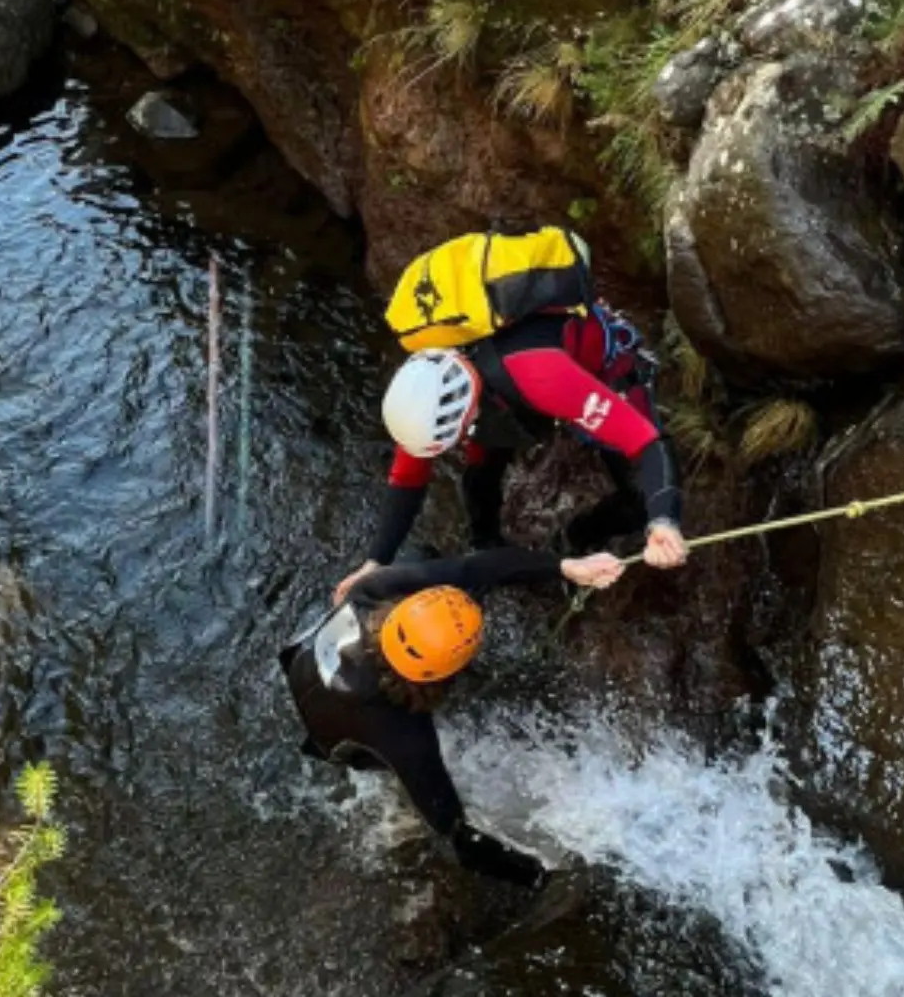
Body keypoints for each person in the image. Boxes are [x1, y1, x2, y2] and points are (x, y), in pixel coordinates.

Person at [334, 226, 688, 605]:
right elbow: (408, 478)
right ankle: (486, 547)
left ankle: (582, 534)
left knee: (636, 496)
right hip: (507, 389)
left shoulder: (542, 378)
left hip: (597, 370)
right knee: (482, 466)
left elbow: (647, 442)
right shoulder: (430, 379)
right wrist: (377, 560)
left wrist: (663, 520)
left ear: (465, 416)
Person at [279, 545, 624, 890]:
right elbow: (454, 831)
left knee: (422, 554)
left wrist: (566, 566)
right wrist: (541, 879)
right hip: (337, 738)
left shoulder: (371, 591)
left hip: (302, 662)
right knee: (430, 800)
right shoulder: (403, 735)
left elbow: (472, 569)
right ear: (437, 678)